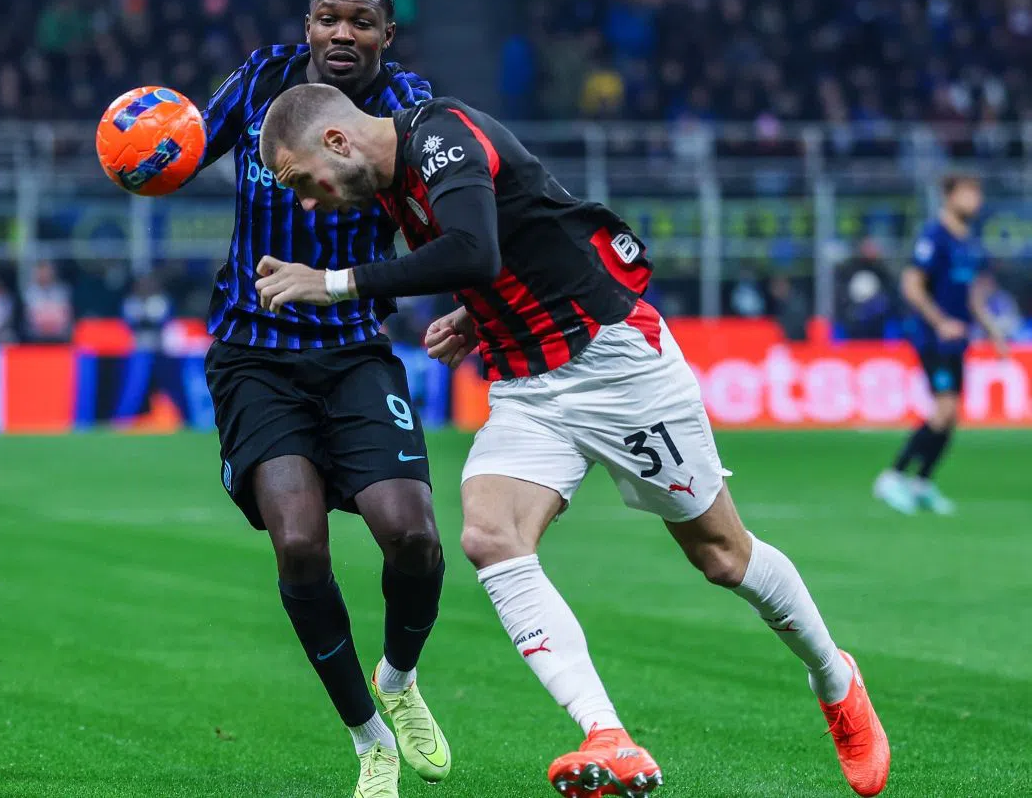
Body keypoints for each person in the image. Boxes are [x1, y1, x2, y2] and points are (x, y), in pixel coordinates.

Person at [253, 84, 891, 798]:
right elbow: (520, 232)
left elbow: (474, 250)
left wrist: (333, 283)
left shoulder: (441, 137)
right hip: (528, 387)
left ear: (337, 141)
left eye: (301, 181)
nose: (306, 203)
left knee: (721, 556)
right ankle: (605, 735)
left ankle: (835, 680)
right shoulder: (393, 184)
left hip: (615, 364)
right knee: (489, 535)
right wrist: (478, 314)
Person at [187, 0, 448, 797]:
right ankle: (370, 740)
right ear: (307, 27)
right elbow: (182, 151)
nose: (342, 33)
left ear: (385, 37)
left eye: (361, 22)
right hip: (254, 355)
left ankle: (398, 679)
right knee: (299, 544)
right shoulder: (260, 79)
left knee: (413, 536)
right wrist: (144, 146)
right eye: (329, 18)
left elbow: (448, 216)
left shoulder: (407, 106)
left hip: (355, 347)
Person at [874, 174, 1006, 515]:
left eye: (977, 193)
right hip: (933, 337)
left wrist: (991, 329)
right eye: (967, 193)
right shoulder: (934, 236)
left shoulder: (968, 241)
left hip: (958, 340)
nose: (975, 200)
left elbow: (970, 294)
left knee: (951, 415)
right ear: (949, 196)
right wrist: (940, 322)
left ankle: (922, 483)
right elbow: (911, 285)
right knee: (943, 409)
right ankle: (892, 476)